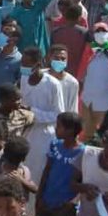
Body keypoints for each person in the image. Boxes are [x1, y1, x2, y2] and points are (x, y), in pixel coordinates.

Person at [19, 46, 64, 198]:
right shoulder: (23, 79)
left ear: (37, 65)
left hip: (42, 136)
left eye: (26, 64)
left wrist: (32, 112)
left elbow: (58, 115)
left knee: (37, 174)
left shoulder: (53, 84)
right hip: (23, 133)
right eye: (22, 64)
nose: (23, 67)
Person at [36, 112, 84, 216]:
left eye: (59, 126)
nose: (56, 129)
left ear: (70, 130)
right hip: (47, 200)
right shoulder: (55, 145)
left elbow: (84, 180)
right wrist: (40, 195)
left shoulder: (83, 152)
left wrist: (72, 203)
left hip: (65, 207)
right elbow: (47, 170)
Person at [78, 22, 108, 140]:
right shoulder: (90, 50)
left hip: (106, 101)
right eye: (97, 31)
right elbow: (82, 72)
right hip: (87, 99)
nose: (100, 33)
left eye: (103, 31)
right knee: (85, 133)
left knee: (103, 135)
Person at [47, 44, 80, 114]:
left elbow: (73, 108)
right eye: (56, 58)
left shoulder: (72, 83)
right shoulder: (41, 77)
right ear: (50, 58)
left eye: (63, 59)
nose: (60, 61)